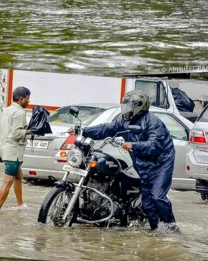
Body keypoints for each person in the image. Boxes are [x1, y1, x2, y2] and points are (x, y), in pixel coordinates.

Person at [70, 90, 178, 232]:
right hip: (142, 161)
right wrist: (84, 131)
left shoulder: (154, 123)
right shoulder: (124, 120)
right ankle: (155, 231)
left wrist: (134, 145)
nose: (127, 108)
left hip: (161, 162)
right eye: (125, 105)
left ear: (139, 106)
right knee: (147, 204)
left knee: (157, 196)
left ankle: (171, 226)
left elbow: (154, 145)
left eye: (130, 105)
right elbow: (107, 128)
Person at [0, 87, 31, 209]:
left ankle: (20, 204)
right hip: (13, 151)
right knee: (8, 182)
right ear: (21, 99)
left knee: (18, 177)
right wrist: (31, 131)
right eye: (27, 99)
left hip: (4, 147)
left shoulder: (7, 110)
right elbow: (16, 134)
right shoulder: (19, 113)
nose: (28, 101)